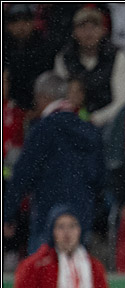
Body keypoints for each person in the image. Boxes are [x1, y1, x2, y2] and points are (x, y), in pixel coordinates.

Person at [3, 71, 105, 255]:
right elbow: (99, 177)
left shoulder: (42, 130)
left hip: (47, 216)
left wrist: (7, 213)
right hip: (81, 216)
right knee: (75, 274)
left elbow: (23, 175)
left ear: (42, 97)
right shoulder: (89, 130)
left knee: (44, 275)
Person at [53, 6, 125, 130]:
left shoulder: (117, 56)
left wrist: (96, 119)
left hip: (109, 123)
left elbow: (123, 99)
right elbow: (60, 97)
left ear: (103, 30)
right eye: (83, 27)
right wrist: (77, 118)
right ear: (74, 32)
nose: (88, 32)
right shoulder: (64, 58)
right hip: (72, 121)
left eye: (94, 27)